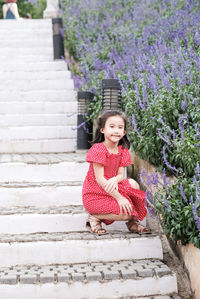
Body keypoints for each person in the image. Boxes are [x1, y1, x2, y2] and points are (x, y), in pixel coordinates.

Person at [82, 110, 149, 235]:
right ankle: (95, 217)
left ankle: (132, 223)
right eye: (112, 127)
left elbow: (120, 175)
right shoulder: (98, 149)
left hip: (112, 187)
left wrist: (114, 179)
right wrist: (120, 198)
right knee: (125, 212)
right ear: (102, 129)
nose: (116, 131)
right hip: (96, 194)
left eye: (120, 127)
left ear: (124, 132)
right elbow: (101, 180)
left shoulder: (122, 150)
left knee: (133, 183)